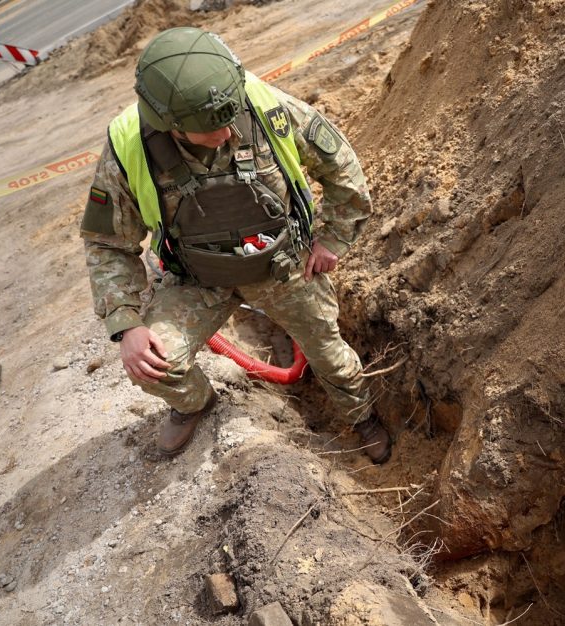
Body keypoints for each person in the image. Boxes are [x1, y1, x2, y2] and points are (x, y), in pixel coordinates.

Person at [79, 27, 390, 463]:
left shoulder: (266, 108)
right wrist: (127, 323)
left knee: (331, 357)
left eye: (230, 119)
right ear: (170, 126)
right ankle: (196, 405)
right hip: (197, 281)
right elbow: (108, 243)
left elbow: (344, 172)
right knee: (152, 364)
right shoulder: (130, 146)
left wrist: (332, 239)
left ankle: (362, 419)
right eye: (210, 129)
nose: (227, 133)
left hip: (284, 269)